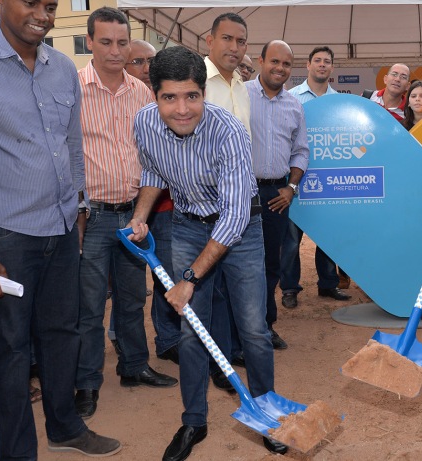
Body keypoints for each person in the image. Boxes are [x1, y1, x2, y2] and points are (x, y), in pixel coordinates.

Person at [0, 0, 122, 456]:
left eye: (51, 6)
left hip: (60, 227)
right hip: (2, 237)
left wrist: (78, 211)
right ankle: (16, 452)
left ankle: (65, 427)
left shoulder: (61, 67)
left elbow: (72, 145)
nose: (44, 14)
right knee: (10, 351)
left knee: (62, 334)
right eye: (31, 3)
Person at [128, 45, 285, 460]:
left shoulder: (228, 131)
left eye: (191, 96)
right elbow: (152, 170)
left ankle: (267, 413)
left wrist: (189, 280)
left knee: (253, 328)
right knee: (192, 332)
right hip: (187, 225)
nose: (182, 109)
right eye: (169, 97)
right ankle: (193, 421)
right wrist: (141, 216)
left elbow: (233, 218)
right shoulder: (144, 123)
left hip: (241, 229)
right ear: (154, 95)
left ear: (203, 92)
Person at [74, 6, 177, 421]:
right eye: (106, 42)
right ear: (89, 43)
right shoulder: (72, 89)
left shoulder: (142, 94)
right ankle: (86, 382)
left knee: (133, 300)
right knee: (90, 306)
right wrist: (77, 216)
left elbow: (153, 160)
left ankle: (134, 367)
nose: (115, 51)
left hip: (134, 218)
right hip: (93, 218)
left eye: (122, 43)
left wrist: (142, 214)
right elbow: (66, 158)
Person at [202, 12, 260, 387]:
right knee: (211, 292)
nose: (234, 48)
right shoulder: (196, 83)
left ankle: (231, 355)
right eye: (227, 39)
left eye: (241, 42)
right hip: (208, 206)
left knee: (238, 291)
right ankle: (217, 363)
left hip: (244, 205)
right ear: (210, 40)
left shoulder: (241, 86)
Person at [245, 40, 309, 349]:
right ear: (260, 61)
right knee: (240, 264)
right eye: (274, 61)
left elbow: (301, 152)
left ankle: (265, 326)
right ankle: (239, 330)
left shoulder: (294, 105)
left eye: (286, 64)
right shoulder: (240, 95)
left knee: (271, 263)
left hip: (275, 193)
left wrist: (291, 187)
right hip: (241, 191)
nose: (280, 68)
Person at [122, 37, 181, 365]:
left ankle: (168, 337)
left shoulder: (169, 99)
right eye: (138, 62)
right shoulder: (126, 101)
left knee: (167, 274)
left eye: (150, 61)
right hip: (126, 204)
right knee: (127, 285)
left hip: (168, 206)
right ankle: (124, 341)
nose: (146, 68)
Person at [282, 46, 352, 309]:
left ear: (332, 68)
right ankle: (289, 287)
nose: (322, 65)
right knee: (290, 240)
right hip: (295, 178)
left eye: (327, 62)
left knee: (327, 237)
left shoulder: (339, 101)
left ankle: (328, 284)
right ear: (308, 65)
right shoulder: (291, 97)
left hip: (328, 179)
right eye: (318, 61)